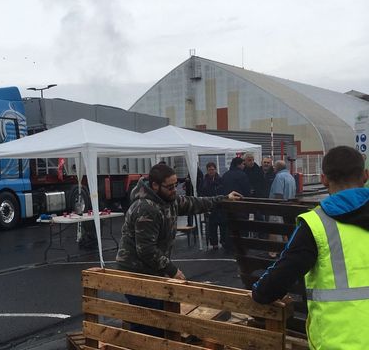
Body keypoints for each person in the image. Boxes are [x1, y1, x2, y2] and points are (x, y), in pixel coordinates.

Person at [252, 146, 369, 349]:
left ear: (324, 179)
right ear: (365, 176)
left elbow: (272, 285)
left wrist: (258, 291)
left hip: (338, 342)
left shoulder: (317, 225)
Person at [116, 163, 242, 336]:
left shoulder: (169, 200)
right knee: (149, 323)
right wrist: (172, 270)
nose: (174, 190)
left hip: (153, 271)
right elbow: (146, 250)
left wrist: (223, 199)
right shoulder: (146, 209)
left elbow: (194, 203)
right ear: (155, 186)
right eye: (169, 187)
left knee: (162, 316)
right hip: (135, 272)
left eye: (176, 185)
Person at [200, 162, 226, 250]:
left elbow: (223, 191)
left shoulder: (220, 179)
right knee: (212, 226)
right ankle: (214, 243)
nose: (211, 171)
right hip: (209, 206)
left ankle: (223, 241)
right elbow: (202, 193)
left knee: (223, 225)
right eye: (209, 170)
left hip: (220, 205)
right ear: (207, 170)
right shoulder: (204, 181)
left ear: (215, 170)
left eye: (212, 169)